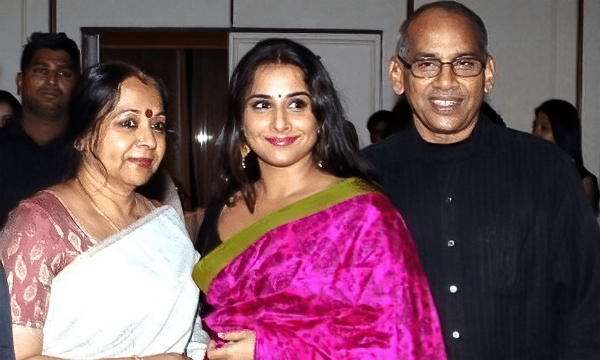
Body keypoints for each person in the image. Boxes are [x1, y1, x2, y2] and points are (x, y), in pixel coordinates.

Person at [362, 2, 600, 359]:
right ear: (398, 74)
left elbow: (586, 306)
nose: (446, 81)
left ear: (488, 73)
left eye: (465, 63)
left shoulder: (547, 170)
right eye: (426, 64)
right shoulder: (363, 180)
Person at [193, 38, 446, 359]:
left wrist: (274, 349)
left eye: (297, 103)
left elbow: (402, 344)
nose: (280, 121)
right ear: (240, 120)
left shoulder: (364, 216)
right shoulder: (224, 206)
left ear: (321, 115)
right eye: (262, 104)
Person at [0, 62, 208, 360]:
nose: (149, 140)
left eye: (158, 125)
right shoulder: (39, 224)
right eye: (128, 123)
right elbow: (18, 356)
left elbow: (190, 330)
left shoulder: (162, 219)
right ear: (83, 134)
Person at [0, 32, 79, 228]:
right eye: (41, 70)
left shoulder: (90, 152)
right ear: (20, 82)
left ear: (77, 87)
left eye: (64, 73)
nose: (52, 80)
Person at [533, 99, 599, 214]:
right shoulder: (533, 170)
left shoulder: (582, 182)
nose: (535, 134)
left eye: (544, 128)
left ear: (562, 132)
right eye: (534, 127)